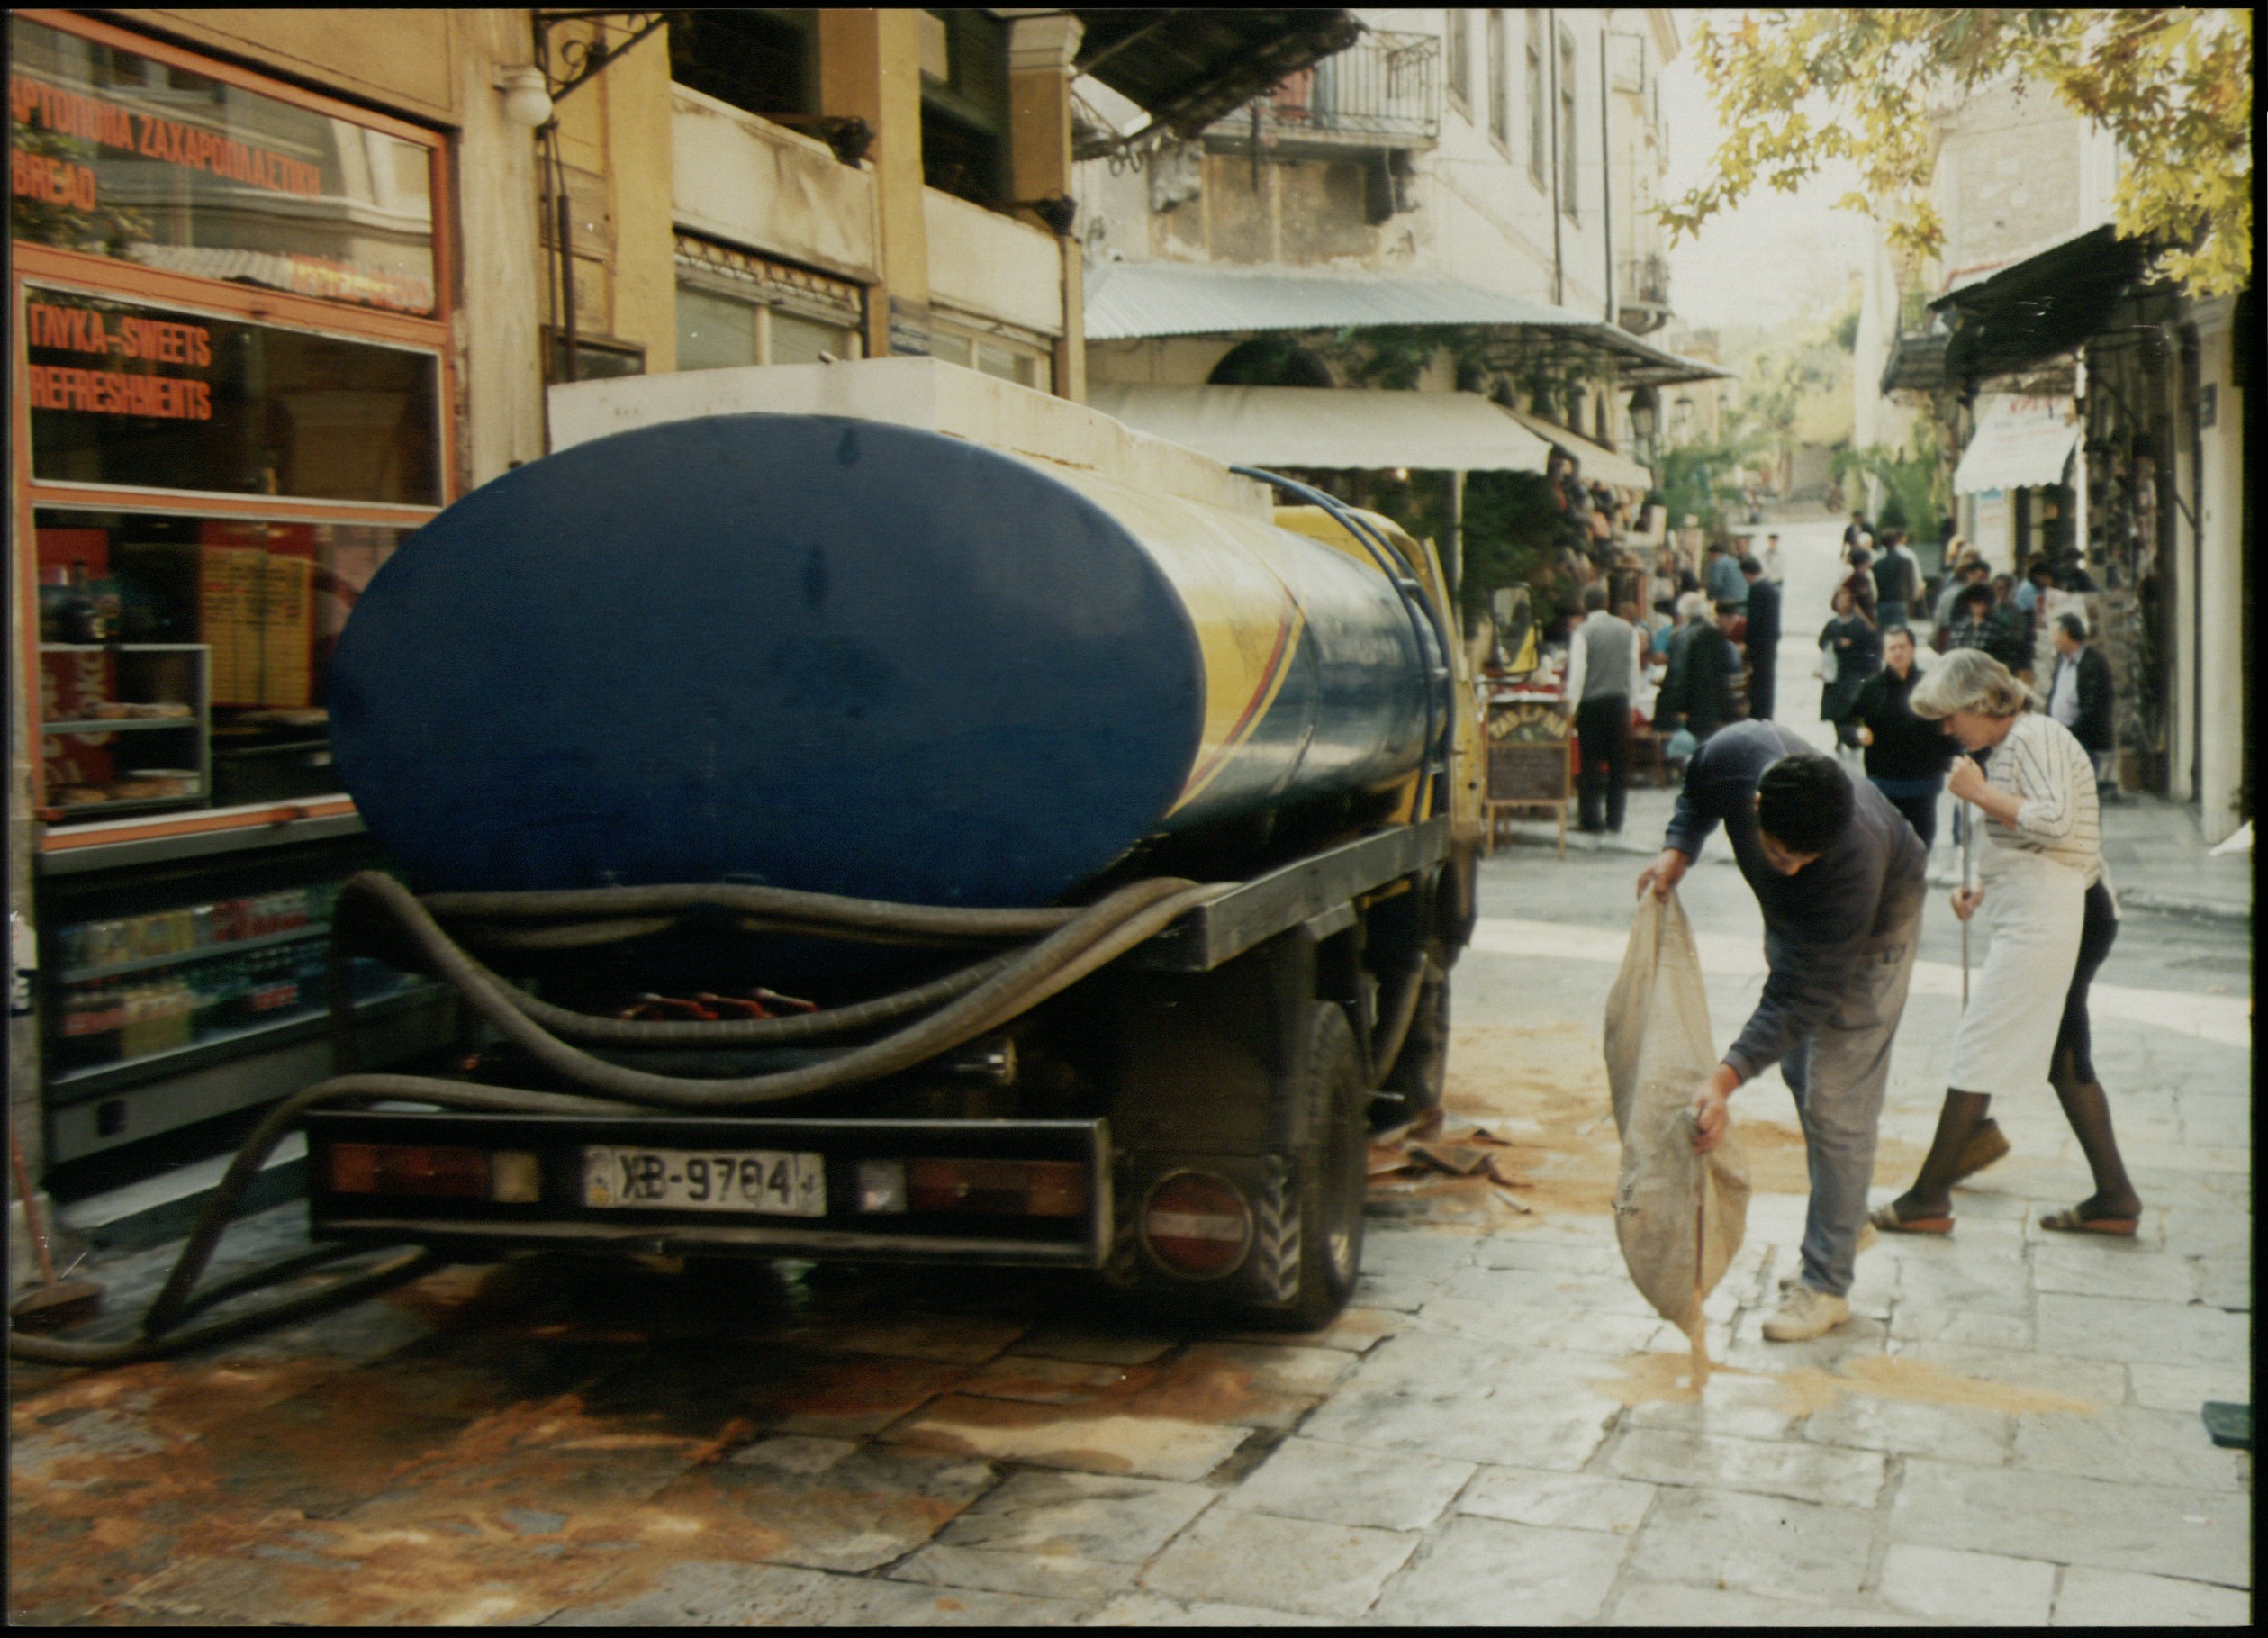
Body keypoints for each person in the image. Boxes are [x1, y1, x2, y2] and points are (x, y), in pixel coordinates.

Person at [1639, 729, 1927, 1340]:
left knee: (1835, 1099)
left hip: (1873, 925)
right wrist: (1678, 848)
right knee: (1799, 1071)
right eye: (1780, 854)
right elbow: (1697, 789)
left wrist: (1722, 1078)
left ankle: (1826, 1284)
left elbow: (1801, 996)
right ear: (1758, 808)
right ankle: (1842, 1217)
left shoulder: (1850, 863)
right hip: (1797, 925)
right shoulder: (1736, 755)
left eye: (1802, 861)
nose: (1790, 867)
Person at [1872, 649, 2140, 1238]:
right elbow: (2016, 836)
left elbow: (2053, 823)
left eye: (1948, 715)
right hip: (2052, 902)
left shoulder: (2035, 735)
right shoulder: (2008, 744)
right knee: (2063, 1055)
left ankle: (1927, 1196)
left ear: (1979, 702)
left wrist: (1978, 793)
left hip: (2058, 905)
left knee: (1980, 1039)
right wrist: (1976, 885)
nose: (1944, 728)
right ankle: (2115, 1196)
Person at [1848, 627, 1955, 848]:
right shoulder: (1872, 688)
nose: (1898, 653)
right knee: (1886, 845)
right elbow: (1845, 721)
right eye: (1892, 648)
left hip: (1923, 782)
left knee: (1920, 845)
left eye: (1902, 647)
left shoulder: (1930, 685)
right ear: (1884, 653)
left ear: (1913, 649)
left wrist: (1951, 758)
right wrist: (1857, 733)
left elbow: (1950, 726)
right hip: (1884, 781)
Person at [1566, 583, 1642, 835]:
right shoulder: (1627, 630)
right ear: (1608, 603)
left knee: (1590, 764)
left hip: (1591, 705)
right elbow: (1633, 668)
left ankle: (1590, 819)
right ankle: (1615, 818)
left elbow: (1578, 674)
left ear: (1584, 606)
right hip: (1619, 703)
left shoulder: (1582, 633)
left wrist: (1570, 707)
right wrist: (1632, 703)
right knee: (1619, 764)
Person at [1658, 598, 1743, 747]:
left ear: (1683, 613)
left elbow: (1677, 675)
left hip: (1692, 704)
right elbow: (1731, 669)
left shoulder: (1680, 636)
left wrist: (1669, 708)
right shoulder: (1718, 635)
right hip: (1716, 702)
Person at [2047, 611, 2116, 795]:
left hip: (2083, 740)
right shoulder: (2061, 661)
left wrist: (2072, 733)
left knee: (2082, 795)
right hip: (2061, 737)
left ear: (2066, 634)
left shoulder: (2093, 663)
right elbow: (2055, 694)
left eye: (2054, 634)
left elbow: (2094, 707)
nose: (2052, 639)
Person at [1818, 585, 1881, 744]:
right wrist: (1836, 643)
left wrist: (1872, 668)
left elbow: (1871, 645)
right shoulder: (1832, 624)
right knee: (1835, 709)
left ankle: (1852, 737)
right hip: (1837, 672)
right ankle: (1841, 736)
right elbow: (1822, 642)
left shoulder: (1859, 624)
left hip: (1855, 671)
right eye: (1839, 599)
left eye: (1845, 600)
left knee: (1851, 705)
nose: (1842, 603)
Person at [1739, 556, 1781, 721]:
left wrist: (1747, 643)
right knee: (1767, 680)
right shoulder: (1771, 587)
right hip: (1770, 641)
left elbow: (1754, 620)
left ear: (1748, 573)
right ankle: (1766, 713)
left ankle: (1759, 714)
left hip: (1760, 642)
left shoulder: (1757, 589)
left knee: (1759, 681)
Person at [1933, 556, 1989, 629]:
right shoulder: (1954, 595)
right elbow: (1943, 622)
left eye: (1986, 578)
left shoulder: (1986, 596)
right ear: (1970, 575)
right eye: (1981, 578)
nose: (1984, 582)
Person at [1704, 541, 1747, 609]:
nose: (1709, 559)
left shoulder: (1718, 564)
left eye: (1709, 556)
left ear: (1715, 554)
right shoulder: (1736, 562)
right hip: (1742, 600)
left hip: (1727, 602)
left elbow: (1716, 584)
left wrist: (1709, 596)